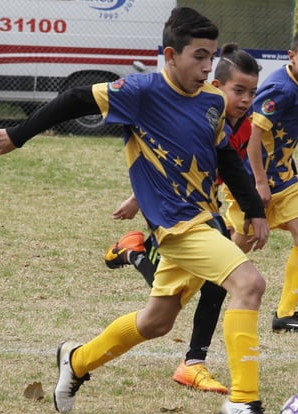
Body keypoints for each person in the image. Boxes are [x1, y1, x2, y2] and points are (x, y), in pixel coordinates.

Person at [0, 7, 275, 414]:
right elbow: (74, 100)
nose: (207, 68)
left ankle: (77, 360)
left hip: (205, 217)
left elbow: (225, 157)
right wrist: (19, 133)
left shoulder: (211, 102)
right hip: (177, 226)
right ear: (170, 55)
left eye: (212, 57)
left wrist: (253, 209)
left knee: (156, 322)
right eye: (199, 57)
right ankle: (244, 402)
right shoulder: (141, 91)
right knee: (250, 283)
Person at [102, 44, 263, 395]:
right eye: (239, 91)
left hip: (204, 211)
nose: (247, 100)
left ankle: (192, 361)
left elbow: (223, 170)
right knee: (206, 287)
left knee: (181, 297)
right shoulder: (199, 111)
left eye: (252, 93)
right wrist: (136, 199)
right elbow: (167, 160)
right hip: (176, 217)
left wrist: (252, 209)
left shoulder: (240, 127)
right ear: (215, 89)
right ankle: (193, 362)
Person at [224, 23, 298, 335]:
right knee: (237, 247)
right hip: (253, 179)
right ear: (292, 56)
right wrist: (259, 182)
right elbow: (254, 135)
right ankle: (190, 280)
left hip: (284, 179)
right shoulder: (280, 88)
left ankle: (286, 313)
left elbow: (281, 123)